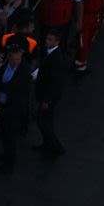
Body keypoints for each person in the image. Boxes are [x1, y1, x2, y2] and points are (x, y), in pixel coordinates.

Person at [0, 42, 31, 175]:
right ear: (9, 57)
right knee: (5, 134)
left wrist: (0, 85)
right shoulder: (5, 66)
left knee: (11, 138)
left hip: (13, 110)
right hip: (3, 105)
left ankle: (9, 165)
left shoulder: (24, 71)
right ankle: (6, 155)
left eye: (19, 59)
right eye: (14, 59)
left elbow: (10, 87)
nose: (17, 62)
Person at [33, 30, 66, 158]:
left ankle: (55, 147)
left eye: (50, 40)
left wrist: (47, 100)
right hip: (46, 95)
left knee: (44, 122)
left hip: (48, 97)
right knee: (45, 121)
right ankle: (48, 144)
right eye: (47, 39)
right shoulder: (50, 54)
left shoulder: (56, 58)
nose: (47, 41)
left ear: (57, 41)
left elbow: (54, 82)